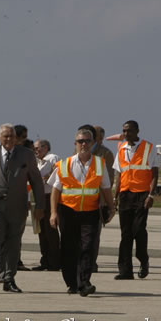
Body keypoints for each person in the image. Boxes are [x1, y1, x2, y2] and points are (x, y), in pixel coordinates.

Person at [0, 124, 45, 293]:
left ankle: (8, 279)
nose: (9, 139)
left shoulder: (26, 155)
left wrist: (40, 206)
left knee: (13, 243)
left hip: (17, 206)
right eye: (5, 136)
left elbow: (36, 182)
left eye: (12, 136)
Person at [49, 126, 115, 296]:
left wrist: (112, 207)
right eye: (80, 141)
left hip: (90, 212)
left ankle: (84, 282)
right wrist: (53, 212)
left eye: (87, 141)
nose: (84, 144)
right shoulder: (65, 164)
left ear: (93, 143)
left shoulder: (100, 164)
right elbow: (56, 190)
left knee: (88, 246)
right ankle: (71, 283)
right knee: (69, 248)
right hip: (68, 212)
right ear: (75, 144)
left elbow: (106, 188)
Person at [112, 120, 158, 280]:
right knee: (125, 234)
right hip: (125, 194)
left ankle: (143, 259)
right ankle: (125, 270)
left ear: (137, 131)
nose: (126, 134)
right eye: (124, 131)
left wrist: (151, 195)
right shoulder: (120, 148)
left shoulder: (149, 148)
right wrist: (114, 197)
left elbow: (154, 174)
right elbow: (119, 175)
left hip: (142, 195)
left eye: (129, 131)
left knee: (138, 230)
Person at [32, 139, 61, 271]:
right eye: (34, 149)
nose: (36, 151)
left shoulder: (52, 158)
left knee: (51, 231)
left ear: (46, 148)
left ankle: (55, 262)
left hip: (50, 197)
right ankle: (45, 261)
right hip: (39, 198)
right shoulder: (36, 162)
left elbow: (58, 173)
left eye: (38, 148)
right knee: (41, 231)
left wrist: (45, 179)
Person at [91, 125, 115, 273]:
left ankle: (91, 262)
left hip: (97, 201)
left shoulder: (106, 154)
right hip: (78, 201)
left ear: (100, 137)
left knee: (93, 235)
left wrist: (107, 203)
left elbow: (109, 180)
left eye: (94, 134)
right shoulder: (78, 150)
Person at [14, 124, 33, 272]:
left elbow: (31, 180)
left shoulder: (25, 153)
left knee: (17, 235)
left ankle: (15, 261)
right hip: (5, 201)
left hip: (20, 201)